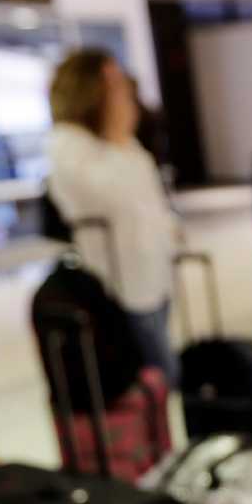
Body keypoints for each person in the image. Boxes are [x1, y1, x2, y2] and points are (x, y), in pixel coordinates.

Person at [46, 49, 182, 385]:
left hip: (151, 278)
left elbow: (149, 195)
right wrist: (119, 133)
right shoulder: (69, 144)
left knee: (162, 380)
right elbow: (116, 198)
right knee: (154, 381)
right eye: (115, 87)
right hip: (119, 289)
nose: (125, 96)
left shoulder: (114, 142)